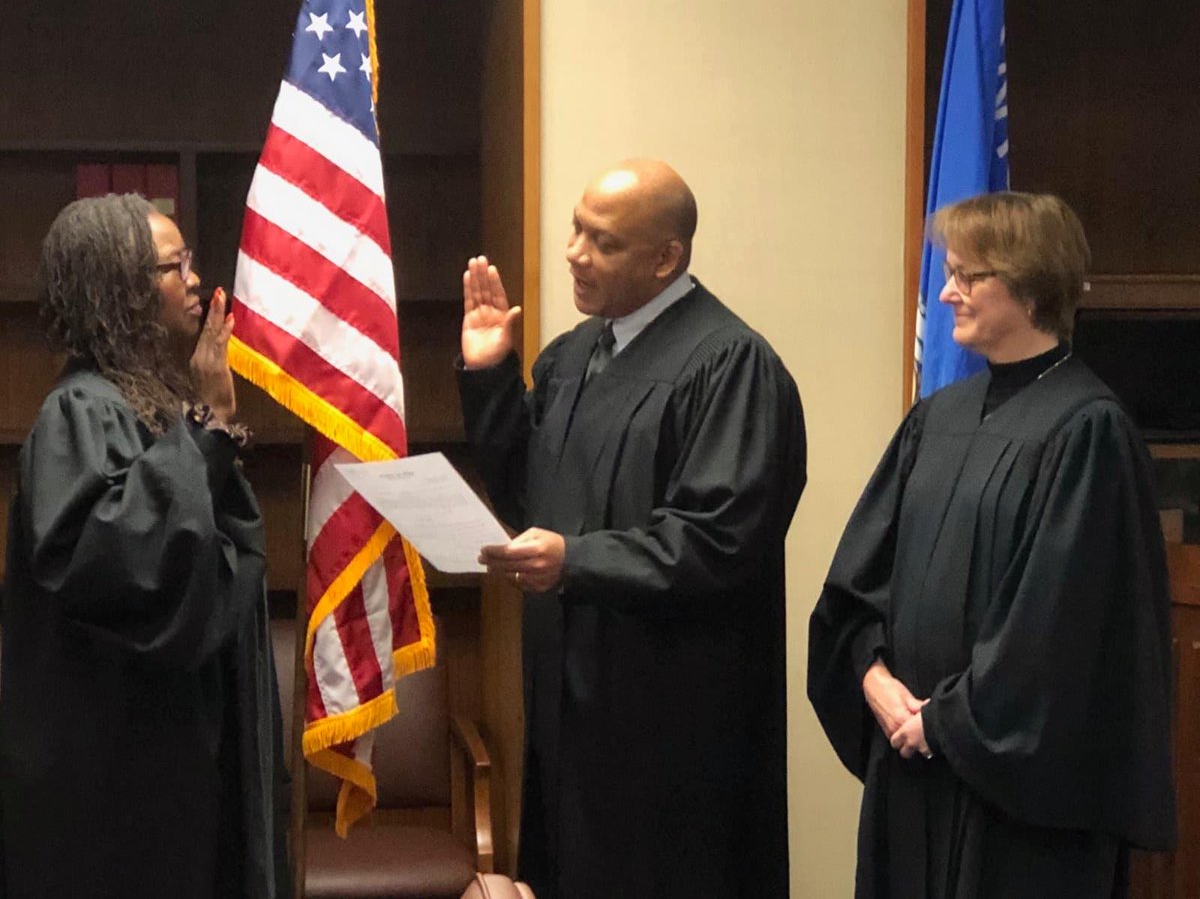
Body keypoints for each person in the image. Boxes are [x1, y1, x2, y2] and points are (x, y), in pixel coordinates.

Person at [808, 191, 1176, 898]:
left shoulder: (1086, 430)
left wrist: (945, 723)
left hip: (1014, 803)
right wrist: (872, 677)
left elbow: (1060, 632)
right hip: (910, 767)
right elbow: (860, 577)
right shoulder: (936, 419)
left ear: (1030, 284)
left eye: (967, 276)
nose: (946, 293)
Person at [457, 159, 806, 898]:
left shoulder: (730, 365)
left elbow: (719, 540)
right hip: (570, 706)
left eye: (604, 242)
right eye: (576, 230)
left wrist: (575, 561)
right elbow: (527, 495)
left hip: (671, 726)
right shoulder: (573, 355)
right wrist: (490, 376)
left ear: (666, 258)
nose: (574, 254)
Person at [0, 194, 290, 899]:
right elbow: (122, 565)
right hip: (113, 781)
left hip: (164, 761)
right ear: (121, 289)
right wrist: (208, 430)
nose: (195, 280)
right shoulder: (81, 412)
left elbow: (213, 550)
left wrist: (204, 431)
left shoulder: (147, 402)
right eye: (174, 266)